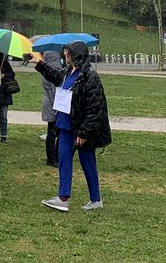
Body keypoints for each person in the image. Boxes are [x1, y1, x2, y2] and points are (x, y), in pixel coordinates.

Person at [35, 41, 111, 212]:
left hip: (80, 128)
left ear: (75, 55)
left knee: (88, 162)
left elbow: (95, 108)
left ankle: (96, 199)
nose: (65, 55)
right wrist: (39, 63)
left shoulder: (90, 77)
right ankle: (63, 198)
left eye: (67, 53)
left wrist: (84, 132)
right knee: (63, 159)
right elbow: (55, 76)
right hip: (65, 125)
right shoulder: (68, 72)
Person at [39, 50, 61, 167]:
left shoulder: (46, 68)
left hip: (47, 102)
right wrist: (57, 108)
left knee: (51, 131)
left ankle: (51, 157)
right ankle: (53, 157)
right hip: (53, 104)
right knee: (54, 132)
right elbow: (54, 90)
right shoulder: (55, 69)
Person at [0, 51, 18, 142]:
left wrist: (4, 75)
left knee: (3, 116)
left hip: (4, 93)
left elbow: (12, 74)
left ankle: (3, 135)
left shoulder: (4, 62)